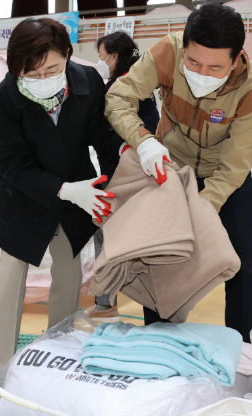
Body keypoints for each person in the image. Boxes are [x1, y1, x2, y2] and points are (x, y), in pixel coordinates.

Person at [105, 3, 252, 343]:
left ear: (236, 58)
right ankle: (159, 338)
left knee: (242, 261)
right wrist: (145, 142)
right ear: (185, 47)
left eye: (215, 67)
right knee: (160, 254)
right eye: (193, 63)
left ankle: (240, 345)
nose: (202, 73)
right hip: (169, 168)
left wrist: (200, 209)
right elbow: (119, 98)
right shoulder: (167, 51)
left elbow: (235, 165)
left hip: (224, 176)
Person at [0, 18, 127, 377]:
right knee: (11, 274)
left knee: (68, 267)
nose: (43, 78)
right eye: (31, 73)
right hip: (20, 193)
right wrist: (64, 189)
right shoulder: (3, 99)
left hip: (73, 190)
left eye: (52, 68)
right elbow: (14, 166)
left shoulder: (88, 81)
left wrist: (128, 147)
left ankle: (55, 356)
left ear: (67, 55)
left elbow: (99, 131)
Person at [84, 31, 159, 322]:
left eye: (102, 56)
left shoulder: (127, 85)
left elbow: (144, 128)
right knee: (111, 239)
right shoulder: (129, 82)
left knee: (124, 242)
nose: (100, 62)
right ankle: (107, 304)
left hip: (127, 175)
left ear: (114, 56)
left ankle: (111, 305)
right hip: (120, 173)